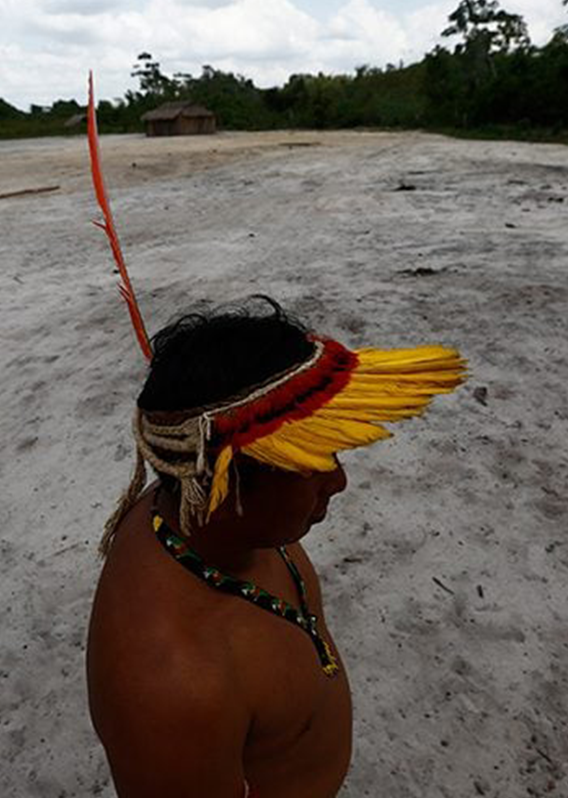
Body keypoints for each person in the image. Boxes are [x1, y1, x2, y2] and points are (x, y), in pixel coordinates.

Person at [86, 297, 466, 797]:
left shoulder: (207, 520)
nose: (339, 481)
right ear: (226, 489)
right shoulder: (173, 687)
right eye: (310, 461)